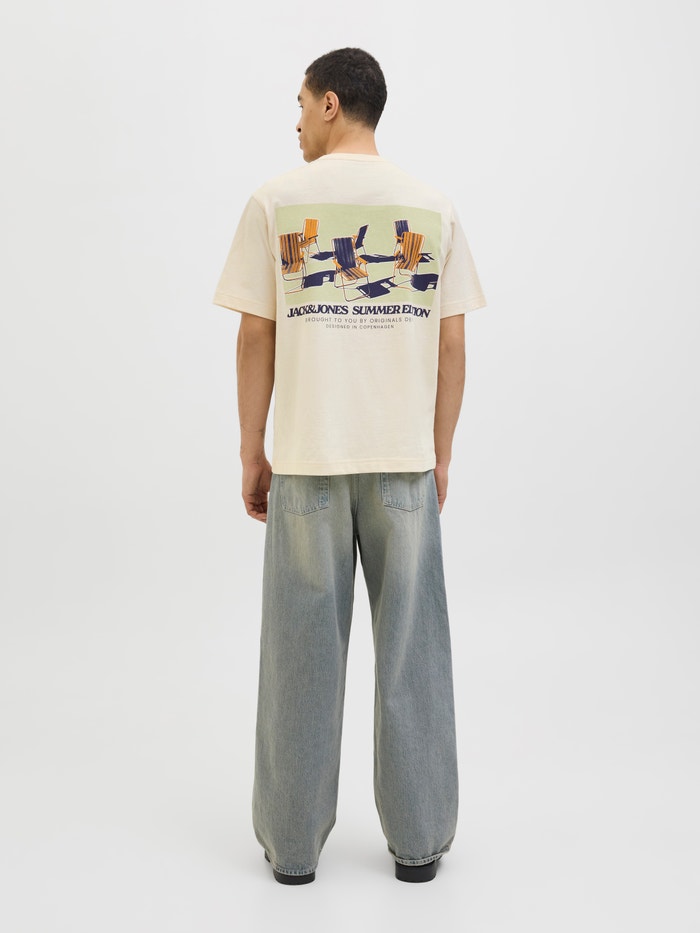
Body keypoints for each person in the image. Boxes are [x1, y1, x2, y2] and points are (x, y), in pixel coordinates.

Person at [212, 47, 487, 885]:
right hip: (403, 462)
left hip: (307, 458)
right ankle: (420, 845)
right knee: (413, 653)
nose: (295, 121)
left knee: (300, 656)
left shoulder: (276, 201)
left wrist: (252, 447)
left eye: (301, 104)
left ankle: (293, 850)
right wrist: (440, 452)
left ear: (332, 103)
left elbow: (255, 335)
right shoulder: (432, 207)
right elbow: (452, 345)